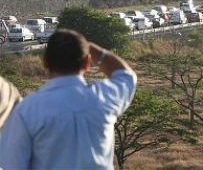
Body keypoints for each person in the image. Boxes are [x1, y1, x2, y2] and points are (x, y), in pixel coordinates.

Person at [0, 29, 137, 170]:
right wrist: (90, 48)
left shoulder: (28, 109)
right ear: (87, 62)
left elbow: (12, 165)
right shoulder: (104, 97)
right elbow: (126, 76)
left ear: (45, 62)